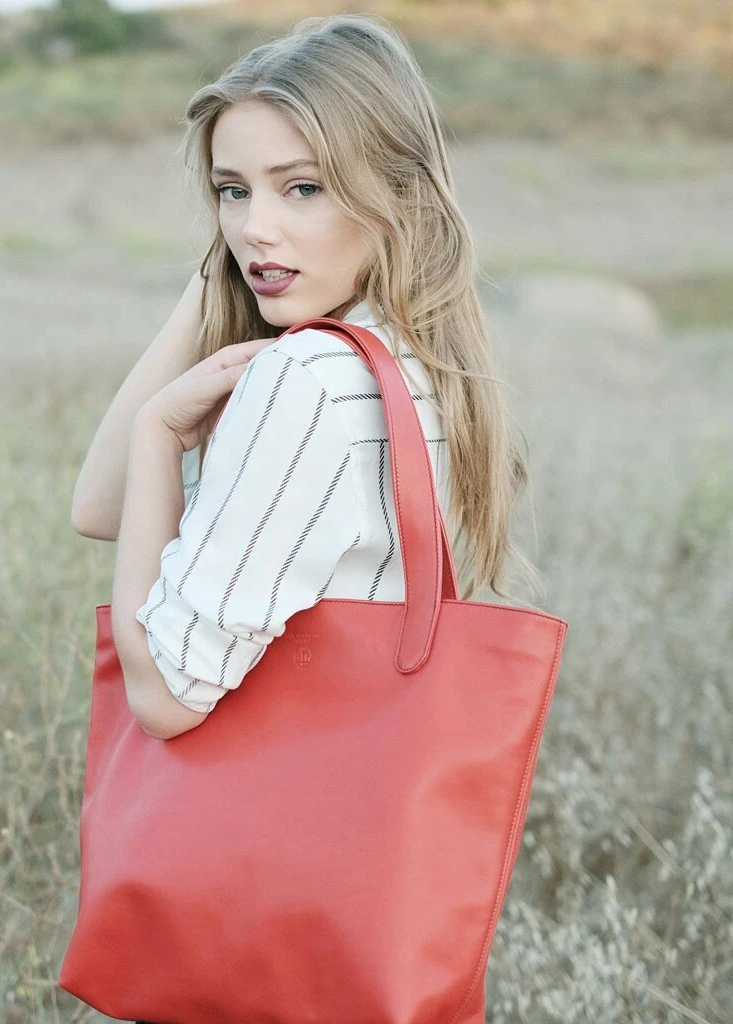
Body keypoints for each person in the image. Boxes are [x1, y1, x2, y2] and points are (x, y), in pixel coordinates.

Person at [73, 12, 541, 752]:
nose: (254, 227)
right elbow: (101, 507)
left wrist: (159, 431)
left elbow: (163, 698)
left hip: (258, 814)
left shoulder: (310, 378)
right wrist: (227, 270)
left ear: (395, 195)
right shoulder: (417, 362)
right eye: (232, 191)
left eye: (303, 188)